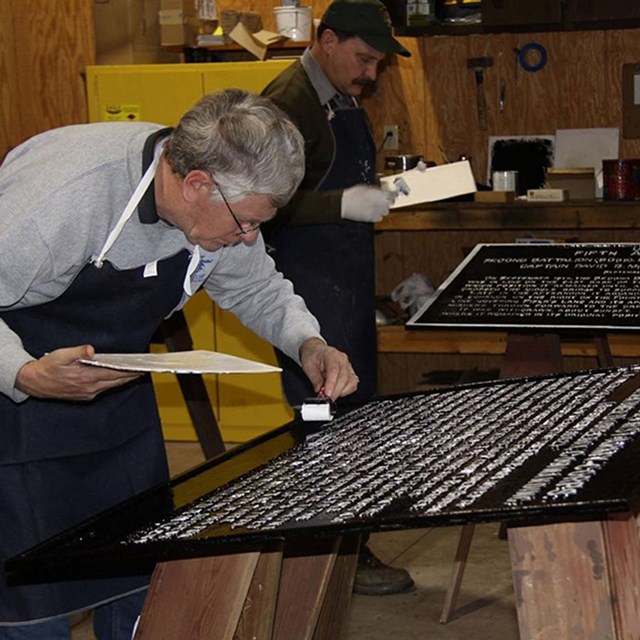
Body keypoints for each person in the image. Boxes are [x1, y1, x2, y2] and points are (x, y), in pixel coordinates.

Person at [0, 88, 359, 638]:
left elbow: (259, 289)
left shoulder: (223, 202)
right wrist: (23, 373)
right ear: (196, 184)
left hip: (119, 414)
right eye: (244, 223)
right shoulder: (58, 202)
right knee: (33, 609)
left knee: (140, 587)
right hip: (15, 422)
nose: (248, 238)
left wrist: (309, 343)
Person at [261, 0, 415, 596]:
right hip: (306, 288)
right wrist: (343, 204)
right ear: (326, 40)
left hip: (343, 282)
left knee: (355, 412)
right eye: (363, 58)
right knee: (321, 416)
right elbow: (258, 200)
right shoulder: (288, 103)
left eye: (378, 63)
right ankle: (325, 551)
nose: (370, 74)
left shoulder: (340, 94)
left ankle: (348, 538)